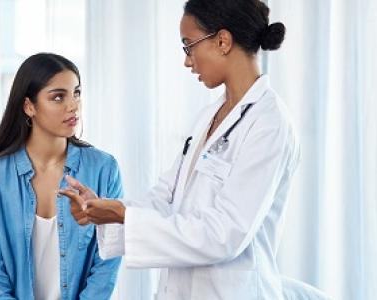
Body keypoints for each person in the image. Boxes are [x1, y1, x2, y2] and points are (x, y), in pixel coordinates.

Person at [59, 0, 300, 299]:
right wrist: (108, 211)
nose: (188, 61)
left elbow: (224, 234)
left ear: (223, 41)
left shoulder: (269, 122)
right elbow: (167, 198)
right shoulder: (208, 117)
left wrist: (124, 216)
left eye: (189, 46)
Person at [0, 53, 122, 300]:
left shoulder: (104, 169)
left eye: (77, 93)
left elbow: (107, 263)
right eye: (58, 97)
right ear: (29, 106)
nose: (73, 105)